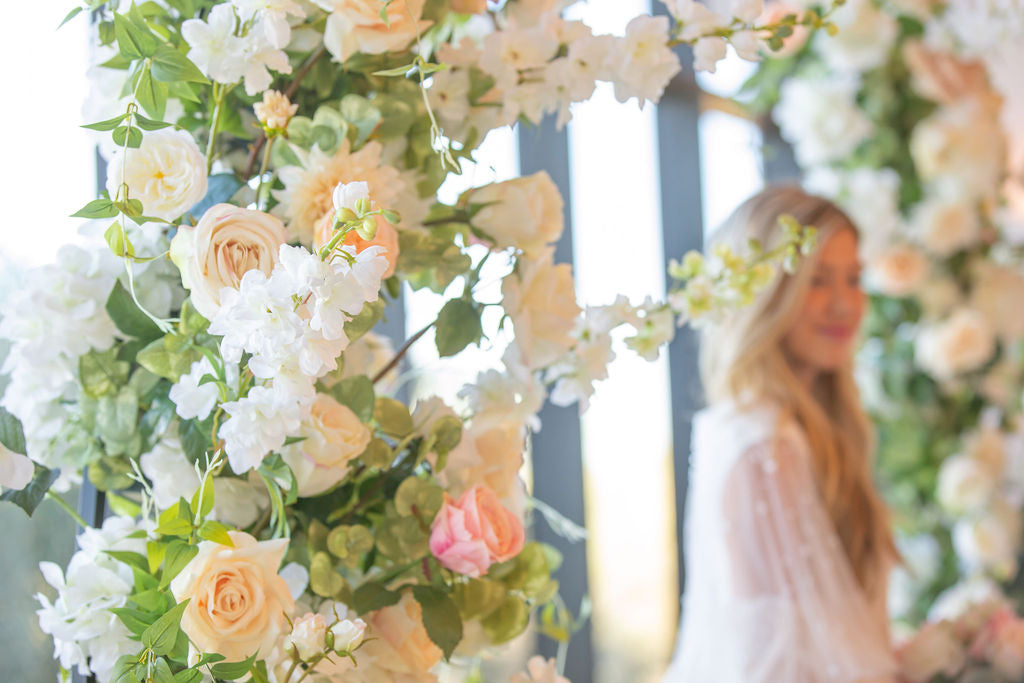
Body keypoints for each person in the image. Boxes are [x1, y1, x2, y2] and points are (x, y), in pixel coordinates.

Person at [664, 186, 898, 682]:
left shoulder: (781, 427)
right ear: (765, 292)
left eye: (853, 279)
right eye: (816, 280)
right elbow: (783, 660)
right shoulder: (765, 444)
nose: (843, 305)